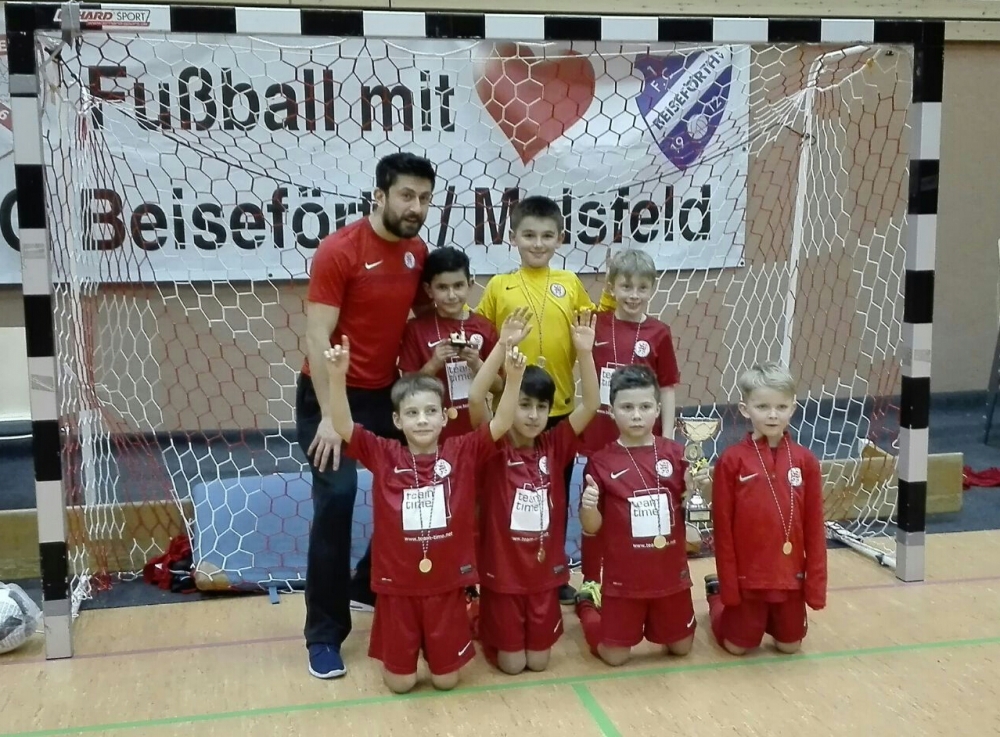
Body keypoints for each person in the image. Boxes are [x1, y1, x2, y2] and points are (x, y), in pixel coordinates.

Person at [324, 324, 528, 693]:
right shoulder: (383, 454)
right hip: (397, 587)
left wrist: (512, 380)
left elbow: (501, 423)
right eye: (413, 413)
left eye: (431, 411)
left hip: (446, 585)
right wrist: (337, 379)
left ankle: (463, 624)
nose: (422, 420)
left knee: (446, 681)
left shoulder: (461, 452)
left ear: (444, 416)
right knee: (401, 684)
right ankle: (407, 653)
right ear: (397, 420)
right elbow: (342, 425)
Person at [296, 151, 436, 679]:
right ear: (379, 196)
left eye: (424, 198)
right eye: (406, 195)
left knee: (419, 485)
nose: (416, 207)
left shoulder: (417, 252)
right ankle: (323, 635)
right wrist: (332, 416)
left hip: (383, 395)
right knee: (337, 498)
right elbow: (317, 335)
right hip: (328, 395)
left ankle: (364, 583)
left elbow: (425, 314)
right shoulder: (340, 251)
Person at [475, 195, 614, 603]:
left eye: (547, 236)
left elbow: (591, 322)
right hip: (510, 413)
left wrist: (611, 292)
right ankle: (501, 570)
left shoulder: (569, 283)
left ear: (560, 239)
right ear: (513, 237)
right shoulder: (498, 286)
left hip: (559, 412)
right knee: (504, 496)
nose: (538, 243)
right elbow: (479, 331)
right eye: (529, 235)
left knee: (553, 496)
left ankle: (553, 572)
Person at [470, 311, 600, 675]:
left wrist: (584, 353)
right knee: (513, 665)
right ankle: (476, 614)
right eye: (524, 405)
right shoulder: (492, 446)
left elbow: (591, 404)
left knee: (539, 663)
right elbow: (476, 396)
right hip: (503, 574)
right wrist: (502, 346)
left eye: (541, 407)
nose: (532, 415)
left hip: (543, 573)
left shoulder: (555, 445)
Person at [576, 365, 704, 666]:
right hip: (624, 580)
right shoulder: (601, 462)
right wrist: (589, 505)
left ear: (657, 410)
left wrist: (698, 487)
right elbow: (592, 527)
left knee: (681, 649)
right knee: (614, 657)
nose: (636, 415)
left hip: (670, 576)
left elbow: (695, 507)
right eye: (627, 407)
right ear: (611, 411)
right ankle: (587, 607)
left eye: (645, 407)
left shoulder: (675, 454)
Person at [705, 362, 828, 655]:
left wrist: (815, 586)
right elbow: (722, 528)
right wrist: (729, 586)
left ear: (793, 408)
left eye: (781, 407)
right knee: (737, 647)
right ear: (745, 409)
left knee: (790, 646)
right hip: (748, 579)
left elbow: (814, 528)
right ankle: (716, 598)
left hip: (789, 577)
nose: (773, 415)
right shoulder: (732, 461)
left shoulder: (805, 461)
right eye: (762, 406)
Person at [577, 248, 681, 593]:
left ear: (652, 289)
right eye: (625, 287)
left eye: (641, 288)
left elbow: (667, 386)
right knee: (594, 505)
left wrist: (667, 436)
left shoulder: (659, 332)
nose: (633, 295)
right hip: (599, 436)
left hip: (642, 440)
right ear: (611, 287)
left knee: (639, 506)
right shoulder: (594, 323)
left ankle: (643, 574)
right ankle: (591, 580)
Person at [398, 246, 501, 441]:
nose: (452, 295)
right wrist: (434, 364)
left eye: (458, 285)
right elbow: (406, 389)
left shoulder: (485, 328)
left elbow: (499, 386)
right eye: (442, 288)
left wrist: (477, 364)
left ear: (470, 284)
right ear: (428, 290)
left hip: (476, 433)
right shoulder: (416, 329)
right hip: (431, 435)